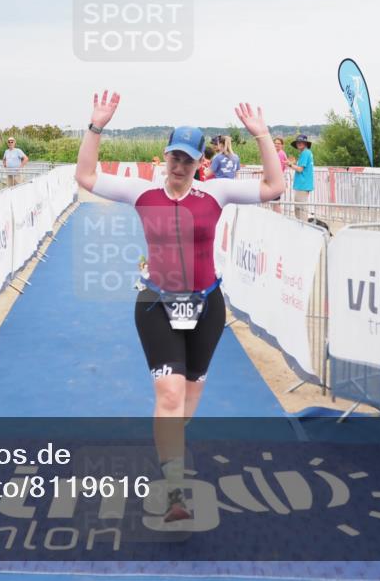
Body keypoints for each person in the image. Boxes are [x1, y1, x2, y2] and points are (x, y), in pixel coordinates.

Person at [74, 91, 285, 523]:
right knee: (168, 394)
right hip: (156, 306)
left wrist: (262, 136)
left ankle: (169, 448)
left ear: (198, 163)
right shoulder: (142, 194)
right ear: (164, 156)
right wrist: (96, 127)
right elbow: (87, 176)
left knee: (186, 404)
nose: (179, 166)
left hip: (207, 307)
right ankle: (175, 492)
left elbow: (274, 187)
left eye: (188, 160)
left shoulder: (216, 193)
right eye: (174, 157)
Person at [290, 134, 315, 220]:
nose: (299, 144)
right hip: (304, 184)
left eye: (301, 142)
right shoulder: (307, 153)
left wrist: (290, 165)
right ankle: (302, 227)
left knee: (300, 209)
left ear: (305, 143)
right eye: (298, 142)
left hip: (302, 184)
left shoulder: (305, 153)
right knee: (300, 208)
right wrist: (293, 163)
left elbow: (300, 169)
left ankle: (303, 228)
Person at [270, 136, 289, 214]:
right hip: (276, 180)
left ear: (282, 145)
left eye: (278, 143)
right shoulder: (277, 153)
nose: (276, 145)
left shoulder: (280, 154)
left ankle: (277, 218)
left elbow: (279, 169)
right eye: (275, 143)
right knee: (274, 201)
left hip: (276, 180)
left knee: (275, 201)